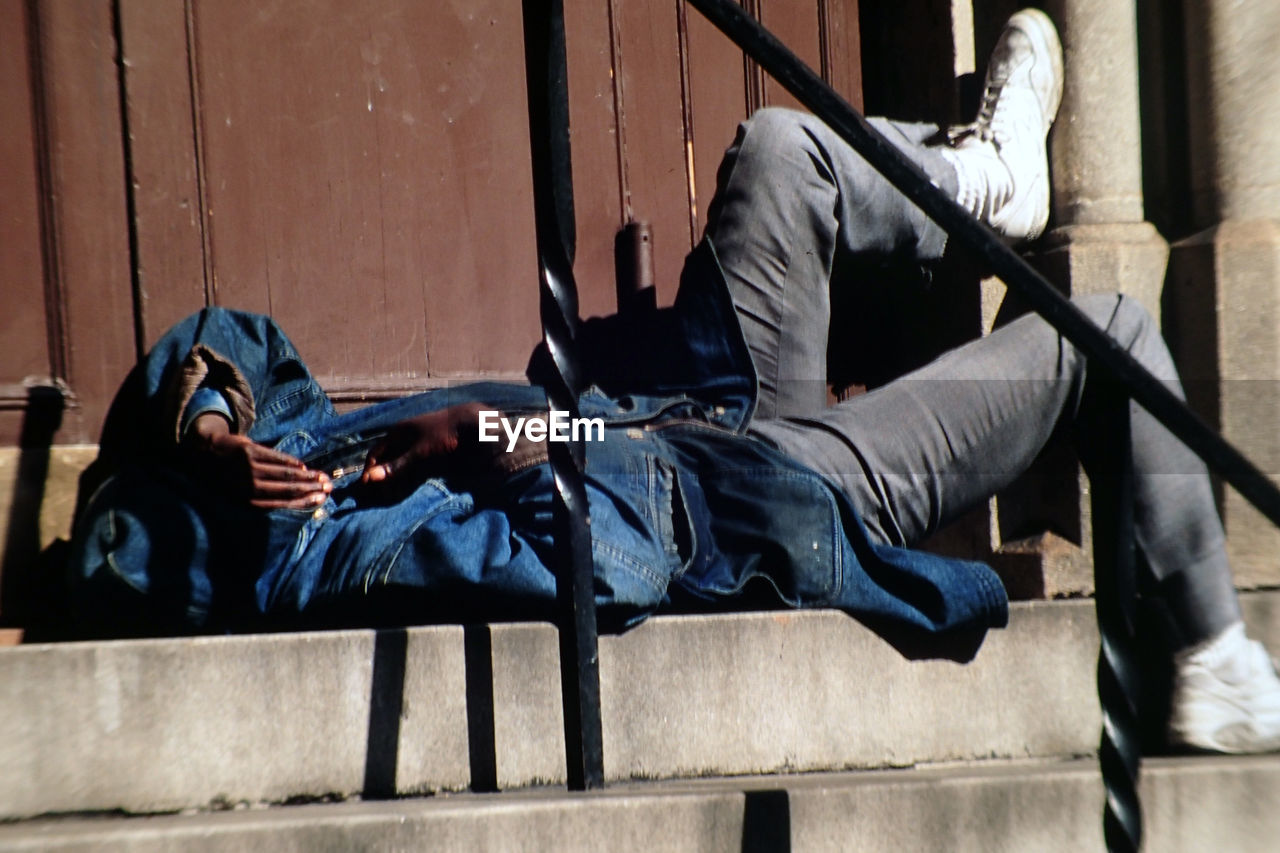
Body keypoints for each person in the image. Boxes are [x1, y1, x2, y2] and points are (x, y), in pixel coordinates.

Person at [66, 9, 1280, 754]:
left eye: (205, 484)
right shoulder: (351, 562)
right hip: (765, 496)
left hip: (698, 406)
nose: (249, 483)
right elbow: (625, 563)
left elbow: (226, 334)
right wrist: (489, 429)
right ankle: (1219, 658)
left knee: (775, 149)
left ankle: (980, 185)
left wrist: (217, 428)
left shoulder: (292, 456)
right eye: (195, 535)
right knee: (1106, 325)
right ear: (203, 580)